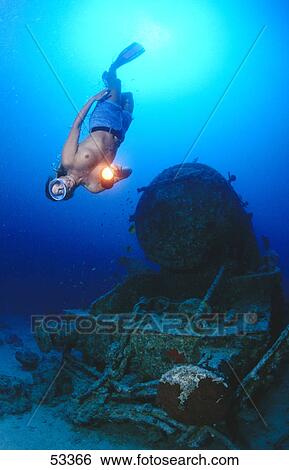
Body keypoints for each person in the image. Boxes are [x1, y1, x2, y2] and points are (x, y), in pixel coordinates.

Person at [46, 43, 145, 201]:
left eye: (58, 183)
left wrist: (93, 99)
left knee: (116, 84)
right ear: (68, 194)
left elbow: (76, 126)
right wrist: (116, 175)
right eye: (62, 191)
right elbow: (129, 172)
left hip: (103, 119)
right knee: (129, 98)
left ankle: (113, 68)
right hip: (120, 132)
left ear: (58, 178)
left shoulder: (67, 160)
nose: (65, 184)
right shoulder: (94, 187)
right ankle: (113, 88)